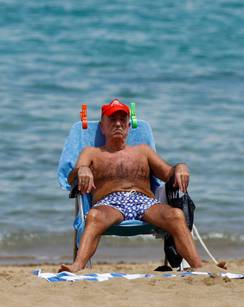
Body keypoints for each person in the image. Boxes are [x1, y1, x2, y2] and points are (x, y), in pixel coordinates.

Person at [59, 99, 203, 273]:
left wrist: (180, 167)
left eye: (122, 120)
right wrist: (82, 169)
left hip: (145, 202)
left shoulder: (143, 151)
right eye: (112, 120)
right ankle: (77, 266)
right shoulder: (91, 153)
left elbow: (168, 173)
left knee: (176, 215)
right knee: (94, 216)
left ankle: (198, 267)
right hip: (109, 203)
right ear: (102, 127)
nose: (118, 124)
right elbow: (71, 177)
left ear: (128, 127)